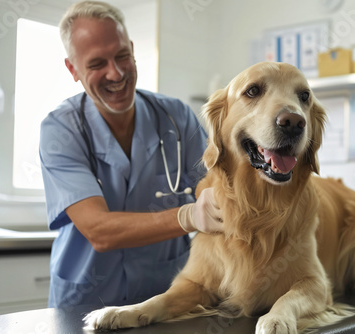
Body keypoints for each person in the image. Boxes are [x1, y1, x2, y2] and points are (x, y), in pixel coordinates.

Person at [39, 0, 223, 309]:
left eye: (123, 56)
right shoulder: (61, 130)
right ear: (73, 69)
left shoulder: (176, 118)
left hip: (165, 298)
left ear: (133, 50)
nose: (116, 73)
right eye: (97, 64)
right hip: (86, 302)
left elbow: (219, 187)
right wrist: (188, 215)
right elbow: (99, 230)